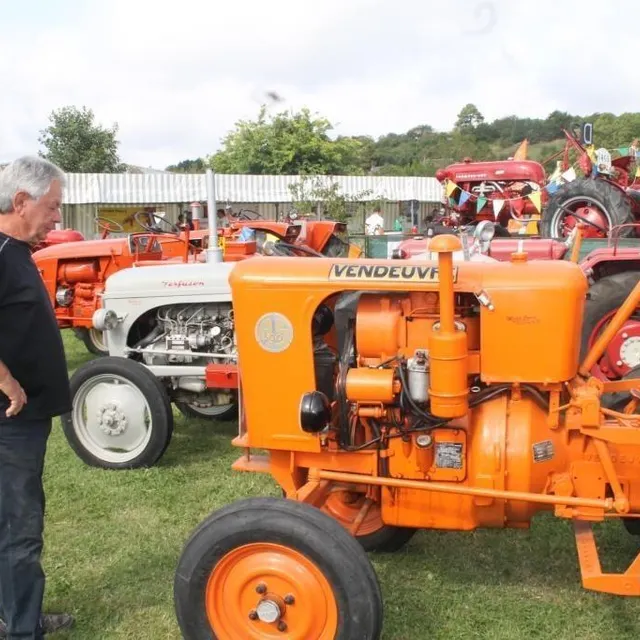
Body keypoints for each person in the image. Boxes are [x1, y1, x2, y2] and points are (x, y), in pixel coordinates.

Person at [0, 156, 75, 638]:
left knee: (13, 526)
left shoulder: (16, 251)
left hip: (25, 418)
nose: (56, 218)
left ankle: (16, 613)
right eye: (51, 206)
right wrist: (4, 377)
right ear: (20, 200)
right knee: (19, 530)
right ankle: (23, 630)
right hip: (11, 421)